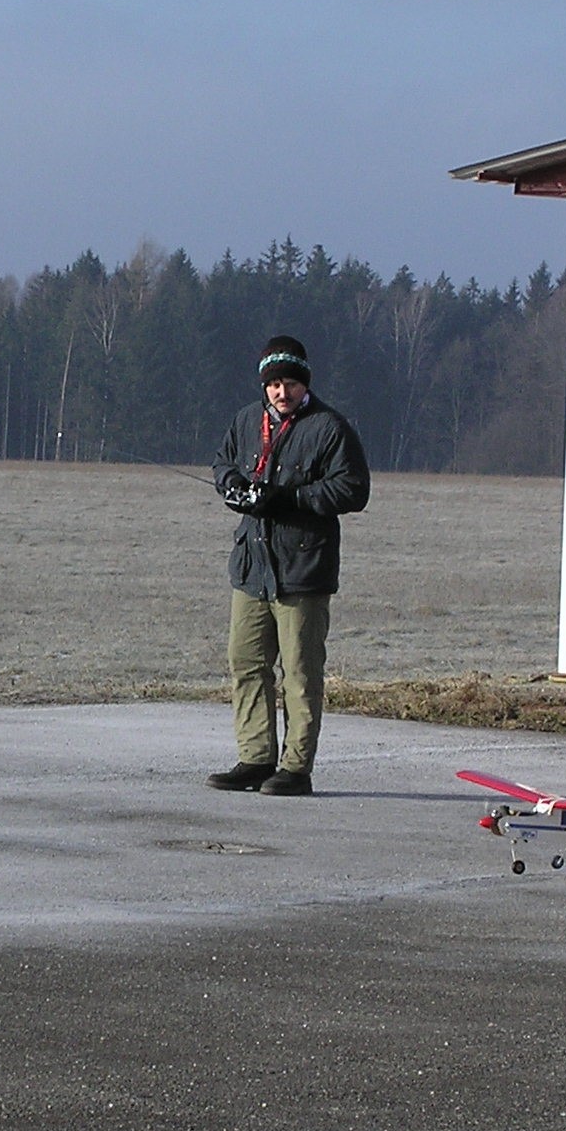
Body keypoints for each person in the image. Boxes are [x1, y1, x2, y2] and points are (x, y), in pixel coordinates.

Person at [206, 335, 370, 797]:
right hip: (251, 568)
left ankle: (296, 768)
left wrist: (290, 498)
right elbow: (222, 464)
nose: (282, 392)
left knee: (299, 672)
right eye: (275, 384)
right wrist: (235, 487)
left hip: (303, 570)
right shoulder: (246, 420)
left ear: (305, 384)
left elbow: (353, 490)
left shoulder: (330, 428)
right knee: (246, 663)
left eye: (291, 384)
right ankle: (255, 758)